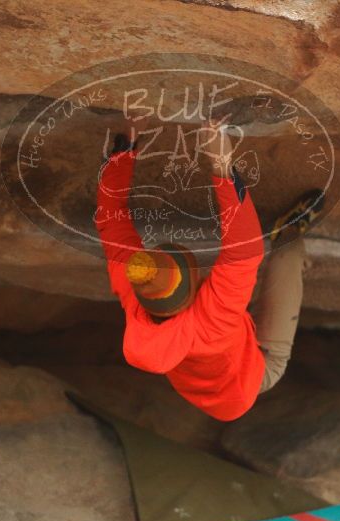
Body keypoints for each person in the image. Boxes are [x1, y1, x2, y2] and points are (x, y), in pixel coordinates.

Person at [95, 121, 322, 421]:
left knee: (236, 298)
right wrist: (221, 165)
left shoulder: (137, 284)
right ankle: (289, 230)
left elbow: (111, 220)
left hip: (209, 369)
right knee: (287, 252)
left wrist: (125, 147)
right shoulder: (212, 319)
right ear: (192, 287)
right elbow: (245, 249)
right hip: (257, 370)